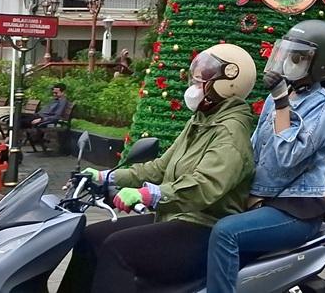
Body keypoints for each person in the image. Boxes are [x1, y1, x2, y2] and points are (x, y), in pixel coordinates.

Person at [58, 43, 257, 293]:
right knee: (90, 238)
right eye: (195, 78)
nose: (195, 85)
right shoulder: (202, 120)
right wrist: (107, 176)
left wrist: (151, 194)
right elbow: (160, 167)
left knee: (118, 249)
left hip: (204, 227)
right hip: (175, 217)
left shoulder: (230, 131)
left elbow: (206, 186)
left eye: (202, 80)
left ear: (228, 82)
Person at [206, 20, 325, 293]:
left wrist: (281, 103)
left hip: (297, 210)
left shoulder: (323, 105)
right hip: (265, 202)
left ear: (319, 65)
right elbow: (256, 149)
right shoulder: (279, 96)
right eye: (289, 53)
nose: (289, 62)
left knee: (225, 233)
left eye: (299, 57)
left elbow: (286, 157)